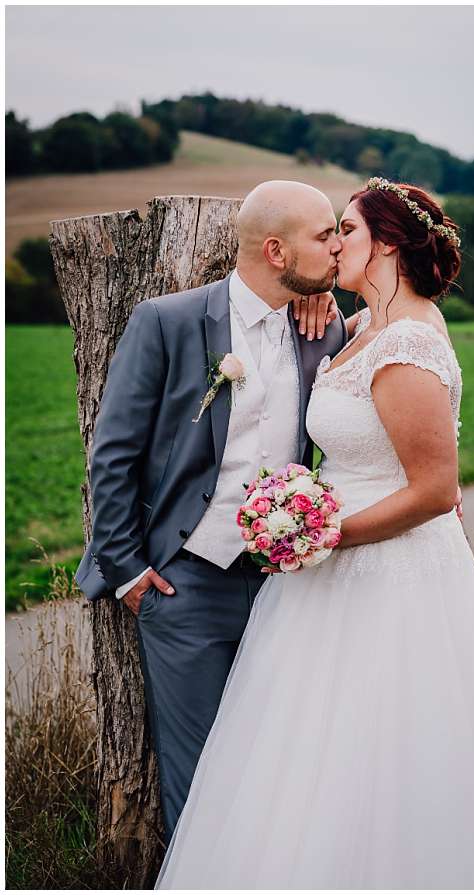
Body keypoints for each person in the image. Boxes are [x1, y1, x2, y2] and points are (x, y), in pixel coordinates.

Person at [155, 178, 474, 888]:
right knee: (310, 752)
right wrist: (317, 298)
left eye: (347, 232)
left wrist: (321, 535)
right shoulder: (365, 329)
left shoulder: (409, 340)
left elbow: (435, 491)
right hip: (327, 577)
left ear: (387, 243)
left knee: (383, 743)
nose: (334, 246)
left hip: (386, 569)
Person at [77, 180, 346, 841]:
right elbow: (112, 455)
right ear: (277, 251)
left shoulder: (326, 325)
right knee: (198, 781)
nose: (339, 246)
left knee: (279, 766)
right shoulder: (167, 322)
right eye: (325, 235)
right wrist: (131, 573)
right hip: (183, 583)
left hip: (285, 589)